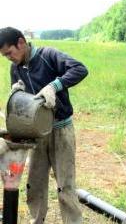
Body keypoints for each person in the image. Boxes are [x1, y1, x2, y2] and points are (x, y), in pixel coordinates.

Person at [0, 27, 88, 224]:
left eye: (9, 53)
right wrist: (16, 93)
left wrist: (54, 86)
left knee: (65, 185)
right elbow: (20, 103)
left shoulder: (48, 56)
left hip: (60, 129)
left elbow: (80, 69)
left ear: (21, 42)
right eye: (4, 56)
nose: (8, 58)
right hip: (36, 133)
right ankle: (36, 220)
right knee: (35, 184)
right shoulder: (15, 68)